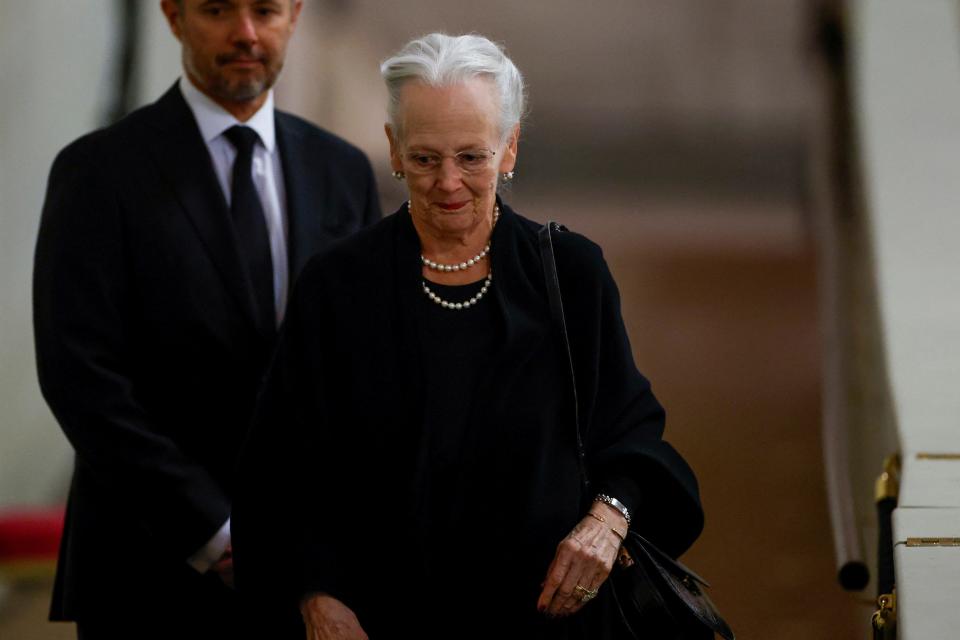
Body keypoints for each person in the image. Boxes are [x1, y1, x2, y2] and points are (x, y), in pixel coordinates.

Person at [232, 33, 703, 639]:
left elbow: (632, 435)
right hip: (380, 623)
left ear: (509, 148)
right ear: (394, 148)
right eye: (425, 158)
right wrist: (316, 595)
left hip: (548, 624)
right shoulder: (337, 285)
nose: (448, 183)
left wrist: (606, 525)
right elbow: (279, 470)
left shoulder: (571, 272)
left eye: (472, 156)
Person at [32, 0, 380, 637]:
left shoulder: (343, 172)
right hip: (143, 573)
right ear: (173, 15)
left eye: (265, 11)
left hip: (302, 581)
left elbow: (361, 375)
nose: (245, 32)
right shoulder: (96, 172)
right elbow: (80, 377)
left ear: (295, 15)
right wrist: (214, 534)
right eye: (219, 9)